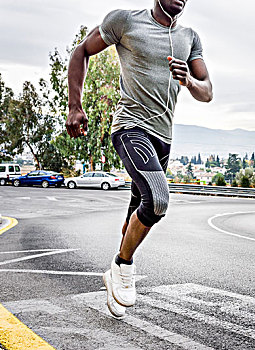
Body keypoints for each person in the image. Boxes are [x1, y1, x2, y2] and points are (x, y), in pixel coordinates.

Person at [66, 0, 213, 318]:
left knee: (135, 216)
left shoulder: (190, 37)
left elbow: (207, 92)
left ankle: (114, 279)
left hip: (164, 139)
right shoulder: (125, 21)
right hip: (130, 128)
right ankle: (122, 265)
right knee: (158, 200)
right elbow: (81, 52)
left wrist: (189, 81)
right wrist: (75, 106)